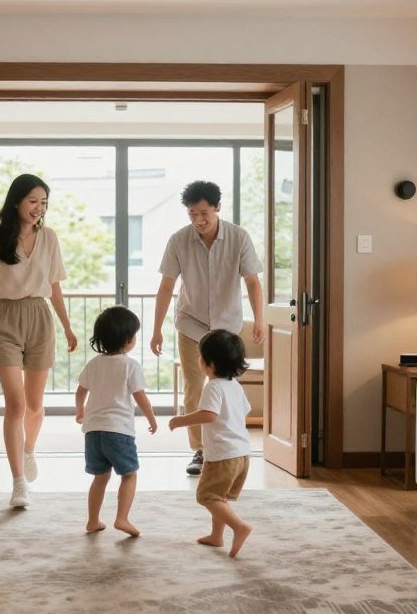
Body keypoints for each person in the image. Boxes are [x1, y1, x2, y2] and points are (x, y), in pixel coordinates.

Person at [0, 174, 78, 508]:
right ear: (17, 201)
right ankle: (18, 483)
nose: (39, 208)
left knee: (34, 405)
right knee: (15, 405)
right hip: (4, 321)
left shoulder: (49, 238)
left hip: (40, 318)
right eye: (33, 201)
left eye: (43, 202)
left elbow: (55, 287)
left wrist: (68, 327)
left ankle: (29, 449)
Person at [150, 180, 263, 476]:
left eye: (203, 214)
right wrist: (157, 329)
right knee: (194, 387)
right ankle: (200, 451)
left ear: (217, 208)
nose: (198, 220)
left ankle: (231, 446)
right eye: (192, 214)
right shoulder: (179, 240)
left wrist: (260, 319)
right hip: (192, 324)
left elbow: (252, 281)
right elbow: (166, 286)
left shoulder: (239, 238)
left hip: (227, 327)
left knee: (228, 387)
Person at [168, 329, 253, 558]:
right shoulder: (234, 385)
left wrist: (181, 420)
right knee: (220, 497)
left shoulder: (212, 387)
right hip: (242, 454)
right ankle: (217, 536)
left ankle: (239, 527)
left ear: (210, 364)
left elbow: (209, 415)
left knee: (206, 496)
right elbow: (245, 410)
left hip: (223, 456)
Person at [75, 306, 157, 537]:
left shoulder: (94, 364)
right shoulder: (130, 365)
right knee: (129, 474)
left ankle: (92, 521)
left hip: (93, 432)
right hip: (118, 432)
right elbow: (140, 397)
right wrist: (151, 418)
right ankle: (122, 518)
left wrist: (80, 411)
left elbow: (80, 391)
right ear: (129, 340)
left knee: (100, 477)